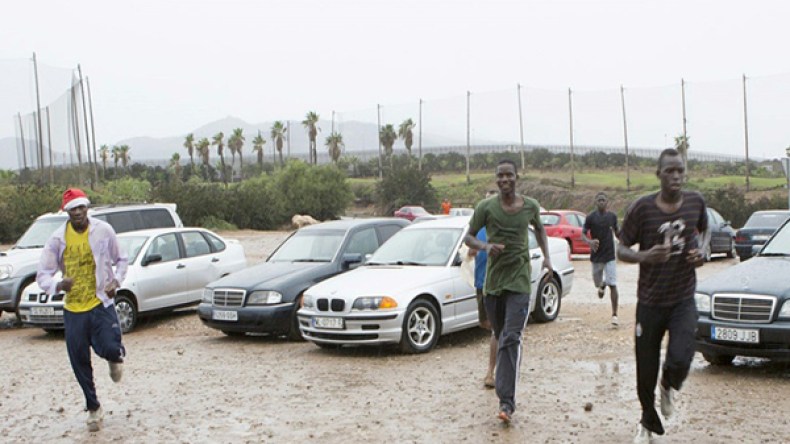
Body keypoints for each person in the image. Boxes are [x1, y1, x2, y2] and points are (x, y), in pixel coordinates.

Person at [616, 149, 708, 443]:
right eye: (669, 171)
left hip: (682, 297)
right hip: (650, 302)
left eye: (680, 170)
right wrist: (646, 256)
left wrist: (702, 252)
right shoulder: (642, 208)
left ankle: (668, 384)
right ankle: (647, 424)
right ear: (659, 174)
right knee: (645, 371)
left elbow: (705, 230)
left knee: (682, 356)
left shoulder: (695, 202)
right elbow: (621, 249)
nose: (676, 176)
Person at [465, 161, 551, 424]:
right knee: (501, 336)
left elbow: (540, 229)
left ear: (517, 177)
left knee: (512, 337)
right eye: (500, 175)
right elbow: (468, 238)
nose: (504, 179)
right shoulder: (486, 208)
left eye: (509, 175)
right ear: (496, 179)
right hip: (493, 285)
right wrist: (485, 245)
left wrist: (547, 259)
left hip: (520, 283)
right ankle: (503, 390)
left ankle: (506, 402)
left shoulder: (530, 206)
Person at [37, 188, 129, 432]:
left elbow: (122, 259)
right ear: (66, 212)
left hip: (101, 303)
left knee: (110, 346)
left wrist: (116, 282)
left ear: (87, 208)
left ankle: (114, 358)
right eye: (72, 209)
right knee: (79, 361)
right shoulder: (57, 239)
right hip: (74, 309)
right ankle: (93, 408)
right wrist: (58, 284)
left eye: (81, 208)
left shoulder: (103, 231)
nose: (77, 213)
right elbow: (42, 275)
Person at [468, 189, 499, 389]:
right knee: (484, 323)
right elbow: (471, 249)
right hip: (481, 283)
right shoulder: (479, 228)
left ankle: (491, 371)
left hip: (498, 285)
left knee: (496, 329)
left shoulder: (501, 227)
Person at [581, 192, 621, 326]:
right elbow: (583, 234)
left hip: (610, 255)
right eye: (599, 200)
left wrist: (625, 241)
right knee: (597, 283)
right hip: (596, 256)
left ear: (608, 202)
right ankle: (602, 284)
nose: (602, 202)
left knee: (613, 284)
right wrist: (589, 242)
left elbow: (618, 232)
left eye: (604, 200)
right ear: (596, 202)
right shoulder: (591, 217)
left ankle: (615, 315)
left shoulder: (612, 217)